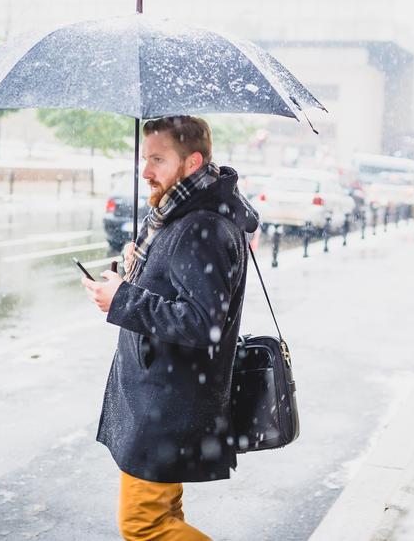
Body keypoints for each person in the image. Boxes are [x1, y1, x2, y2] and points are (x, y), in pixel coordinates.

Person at [82, 115, 259, 540]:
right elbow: (177, 291)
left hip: (167, 403)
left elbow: (201, 323)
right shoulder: (182, 215)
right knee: (167, 517)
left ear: (193, 162)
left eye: (158, 160)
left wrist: (122, 299)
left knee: (146, 526)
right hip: (164, 400)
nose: (145, 171)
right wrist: (134, 276)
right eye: (145, 158)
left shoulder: (201, 226)